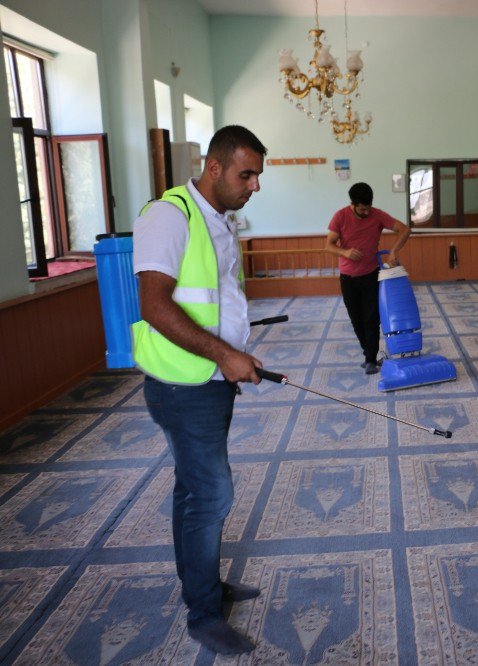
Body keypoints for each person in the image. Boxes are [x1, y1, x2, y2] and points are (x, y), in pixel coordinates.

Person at [131, 125, 267, 656]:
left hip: (210, 380)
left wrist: (236, 352)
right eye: (246, 173)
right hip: (182, 385)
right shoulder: (169, 216)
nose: (254, 185)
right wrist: (224, 354)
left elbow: (217, 299)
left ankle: (204, 586)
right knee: (212, 495)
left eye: (257, 174)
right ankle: (204, 613)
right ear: (214, 168)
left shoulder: (220, 221)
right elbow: (155, 305)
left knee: (193, 492)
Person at [325, 182, 411, 374]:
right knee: (356, 319)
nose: (366, 213)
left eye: (368, 208)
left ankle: (370, 359)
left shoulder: (377, 215)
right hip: (348, 279)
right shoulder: (340, 216)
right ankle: (369, 354)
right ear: (353, 204)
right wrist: (345, 252)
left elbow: (405, 229)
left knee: (372, 319)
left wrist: (394, 251)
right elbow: (329, 245)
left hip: (371, 276)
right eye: (362, 209)